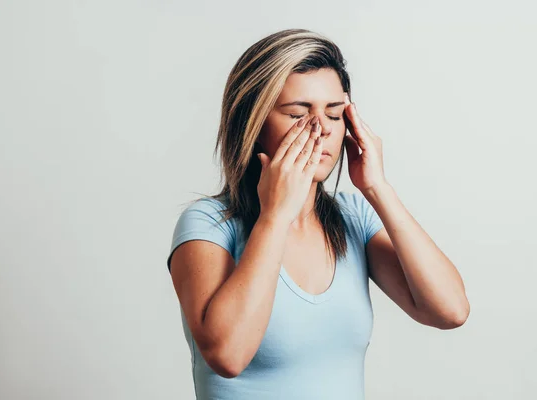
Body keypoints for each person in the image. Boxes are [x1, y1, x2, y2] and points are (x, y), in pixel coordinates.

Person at [166, 28, 469, 400]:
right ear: (254, 124)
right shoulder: (209, 224)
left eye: (335, 113)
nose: (321, 129)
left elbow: (449, 311)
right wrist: (275, 216)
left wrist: (377, 188)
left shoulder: (353, 217)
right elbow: (227, 355)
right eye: (297, 113)